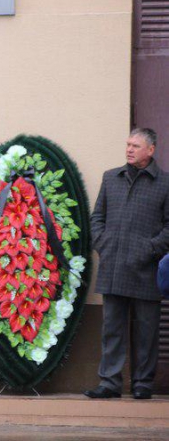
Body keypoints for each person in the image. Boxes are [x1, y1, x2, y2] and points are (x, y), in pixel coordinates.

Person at [85, 128, 169, 400]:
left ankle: (143, 384)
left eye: (135, 145)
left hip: (147, 269)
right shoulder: (112, 178)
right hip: (114, 265)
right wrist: (104, 245)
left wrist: (150, 250)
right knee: (112, 329)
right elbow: (97, 217)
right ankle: (109, 382)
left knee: (147, 331)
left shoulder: (165, 184)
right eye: (128, 144)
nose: (129, 149)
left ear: (151, 150)